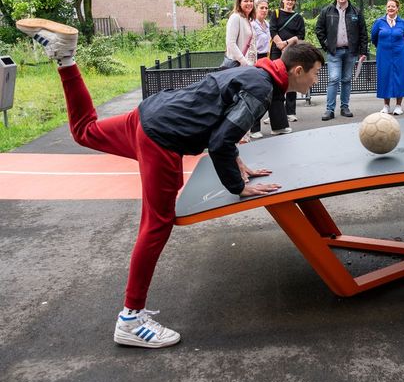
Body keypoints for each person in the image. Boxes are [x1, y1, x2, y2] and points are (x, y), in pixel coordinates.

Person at [16, 17, 324, 349]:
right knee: (157, 224)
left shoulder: (256, 72)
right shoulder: (262, 89)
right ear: (297, 71)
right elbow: (220, 142)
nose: (316, 79)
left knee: (84, 132)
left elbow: (218, 112)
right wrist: (238, 187)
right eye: (315, 73)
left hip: (149, 114)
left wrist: (239, 162)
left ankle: (66, 59)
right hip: (163, 138)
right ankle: (130, 319)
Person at [315, 0, 368, 121]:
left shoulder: (356, 11)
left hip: (351, 52)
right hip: (334, 52)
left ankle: (344, 107)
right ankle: (329, 110)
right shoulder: (327, 11)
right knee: (334, 79)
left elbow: (363, 32)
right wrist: (327, 45)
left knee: (346, 80)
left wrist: (363, 51)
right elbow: (319, 29)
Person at [249, 0, 292, 138]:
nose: (264, 10)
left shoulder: (267, 25)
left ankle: (278, 126)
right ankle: (254, 129)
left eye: (266, 8)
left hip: (268, 59)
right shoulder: (251, 24)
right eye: (261, 8)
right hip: (254, 60)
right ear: (255, 9)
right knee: (257, 93)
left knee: (276, 91)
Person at [268, 0, 305, 125]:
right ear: (283, 0)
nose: (289, 2)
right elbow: (272, 30)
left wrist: (287, 44)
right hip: (277, 50)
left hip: (292, 50)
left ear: (294, 2)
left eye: (292, 0)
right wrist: (280, 45)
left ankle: (290, 112)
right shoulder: (276, 14)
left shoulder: (298, 18)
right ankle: (275, 112)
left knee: (291, 79)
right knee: (276, 80)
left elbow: (301, 35)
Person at [370, 0, 404, 115]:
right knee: (385, 77)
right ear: (386, 8)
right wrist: (384, 47)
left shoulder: (403, 23)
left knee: (400, 77)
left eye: (393, 6)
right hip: (384, 54)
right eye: (388, 6)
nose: (390, 8)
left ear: (397, 8)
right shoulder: (379, 22)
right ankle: (386, 106)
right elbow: (374, 38)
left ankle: (398, 106)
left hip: (400, 54)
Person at [222, 0, 256, 68]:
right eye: (246, 1)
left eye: (251, 1)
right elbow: (230, 43)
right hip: (239, 66)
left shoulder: (248, 20)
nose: (249, 3)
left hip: (249, 66)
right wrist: (243, 62)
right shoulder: (235, 17)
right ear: (239, 3)